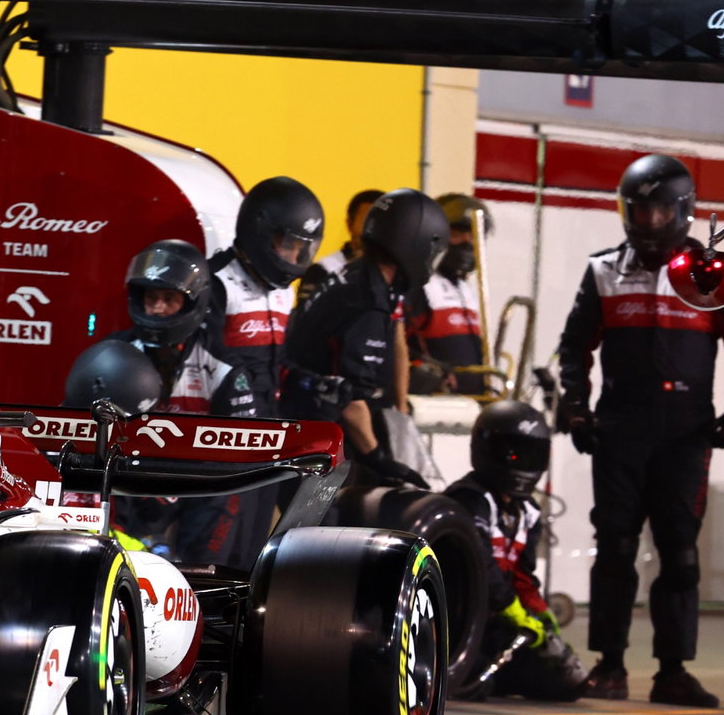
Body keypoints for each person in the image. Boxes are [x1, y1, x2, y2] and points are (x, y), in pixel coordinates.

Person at [557, 153, 724, 707]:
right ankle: (610, 664)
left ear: (683, 212)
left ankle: (673, 671)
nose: (648, 221)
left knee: (679, 552)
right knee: (615, 547)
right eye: (638, 210)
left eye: (658, 211)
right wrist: (576, 407)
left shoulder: (709, 273)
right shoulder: (603, 270)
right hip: (619, 426)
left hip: (685, 431)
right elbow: (574, 347)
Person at [68, 239, 261, 565]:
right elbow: (76, 427)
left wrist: (170, 493)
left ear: (193, 302)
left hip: (201, 483)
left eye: (168, 299)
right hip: (125, 478)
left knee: (211, 530)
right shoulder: (110, 354)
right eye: (151, 298)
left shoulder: (224, 367)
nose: (157, 308)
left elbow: (240, 457)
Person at [283, 188, 448, 489]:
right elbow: (351, 401)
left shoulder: (353, 274)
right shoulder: (369, 303)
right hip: (314, 440)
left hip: (298, 427)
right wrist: (379, 458)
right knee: (325, 532)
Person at [205, 176, 323, 560]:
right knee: (215, 549)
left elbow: (279, 361)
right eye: (287, 245)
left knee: (253, 547)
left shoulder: (283, 292)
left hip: (270, 441)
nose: (292, 258)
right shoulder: (215, 280)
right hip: (222, 445)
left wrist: (312, 383)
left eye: (301, 249)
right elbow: (202, 360)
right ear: (259, 231)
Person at [446, 401, 587, 701]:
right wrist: (512, 610)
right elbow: (481, 564)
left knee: (568, 682)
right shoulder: (469, 499)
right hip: (459, 616)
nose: (518, 461)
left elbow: (523, 574)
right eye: (510, 451)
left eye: (527, 452)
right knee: (475, 684)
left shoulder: (529, 512)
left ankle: (501, 673)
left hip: (498, 623)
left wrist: (538, 612)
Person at [406, 193, 489, 395]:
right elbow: (394, 345)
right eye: (457, 233)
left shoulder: (465, 289)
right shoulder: (417, 285)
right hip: (434, 405)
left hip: (473, 403)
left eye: (474, 235)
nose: (468, 241)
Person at [298, 187, 382, 306]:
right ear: (349, 224)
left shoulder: (398, 275)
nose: (372, 232)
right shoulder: (323, 270)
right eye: (366, 222)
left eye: (382, 224)